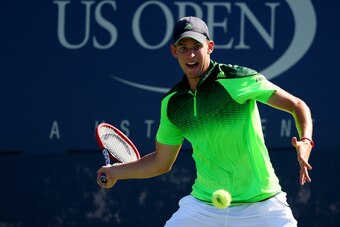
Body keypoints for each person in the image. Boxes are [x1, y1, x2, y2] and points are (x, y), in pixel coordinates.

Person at [97, 16, 314, 227]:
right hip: (205, 206)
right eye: (183, 48)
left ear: (209, 47)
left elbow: (297, 105)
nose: (190, 54)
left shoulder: (236, 80)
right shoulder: (172, 104)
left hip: (263, 205)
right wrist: (115, 172)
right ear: (174, 51)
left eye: (197, 46)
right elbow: (161, 162)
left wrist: (305, 140)